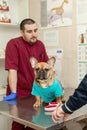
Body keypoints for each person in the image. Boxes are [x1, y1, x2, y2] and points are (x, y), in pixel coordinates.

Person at [3, 18, 48, 130]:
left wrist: (50, 85)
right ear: (22, 32)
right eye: (29, 31)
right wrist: (13, 92)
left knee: (35, 122)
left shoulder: (40, 45)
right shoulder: (13, 44)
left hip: (36, 91)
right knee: (19, 122)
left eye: (35, 30)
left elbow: (46, 66)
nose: (34, 34)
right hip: (19, 92)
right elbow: (12, 69)